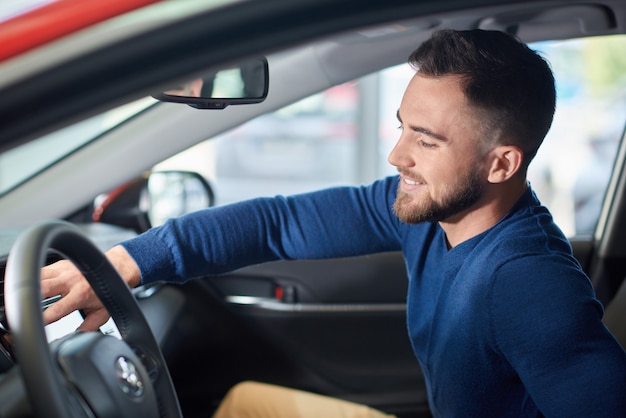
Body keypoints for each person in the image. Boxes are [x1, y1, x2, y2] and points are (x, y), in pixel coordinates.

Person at [40, 29, 626, 417]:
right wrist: (123, 264)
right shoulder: (425, 213)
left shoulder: (530, 284)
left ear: (502, 162)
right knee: (246, 403)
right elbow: (277, 224)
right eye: (401, 128)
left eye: (425, 140)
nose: (398, 157)